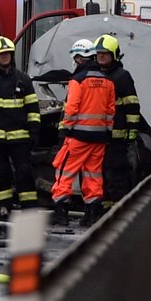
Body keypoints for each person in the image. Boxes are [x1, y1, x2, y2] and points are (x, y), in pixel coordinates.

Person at [0, 36, 41, 215]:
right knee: (1, 173)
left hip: (20, 138)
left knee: (24, 171)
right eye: (1, 55)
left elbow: (32, 109)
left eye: (7, 54)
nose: (5, 57)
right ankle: (4, 206)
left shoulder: (23, 80)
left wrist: (34, 132)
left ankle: (29, 207)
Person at [51, 39, 113, 226]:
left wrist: (65, 128)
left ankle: (61, 213)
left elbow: (72, 108)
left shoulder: (77, 80)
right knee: (93, 175)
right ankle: (91, 214)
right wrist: (107, 132)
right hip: (100, 137)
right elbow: (110, 110)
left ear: (78, 58)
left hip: (78, 136)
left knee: (64, 171)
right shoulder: (107, 81)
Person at [93, 34, 142, 206]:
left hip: (117, 139)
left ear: (114, 54)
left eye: (105, 53)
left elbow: (132, 106)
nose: (101, 56)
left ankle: (118, 211)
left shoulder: (122, 77)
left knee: (117, 176)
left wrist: (132, 133)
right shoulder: (93, 76)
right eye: (98, 53)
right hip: (97, 138)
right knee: (99, 176)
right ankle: (104, 209)